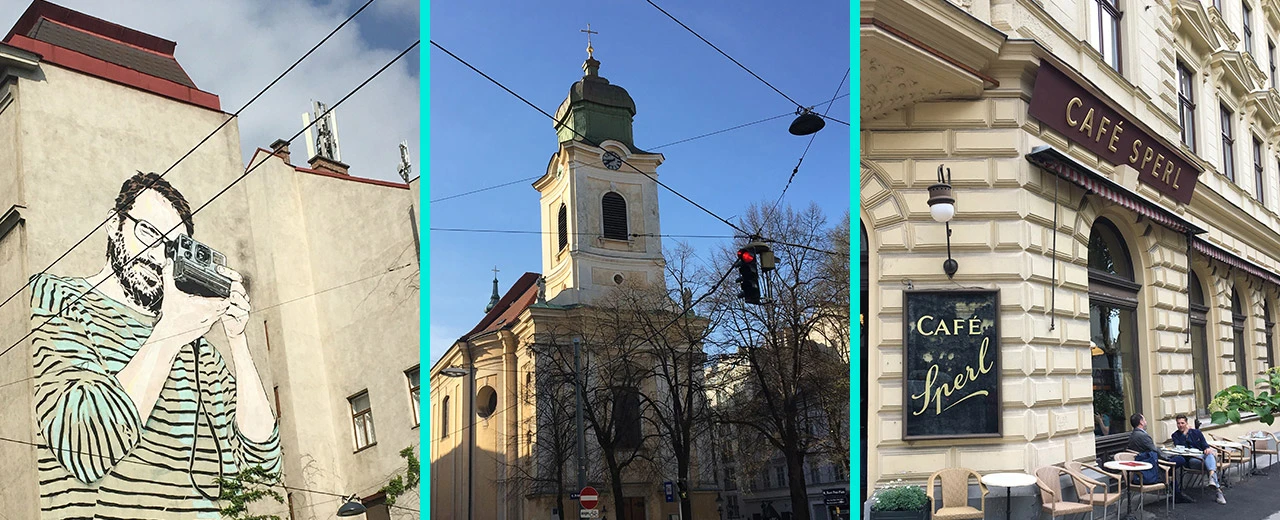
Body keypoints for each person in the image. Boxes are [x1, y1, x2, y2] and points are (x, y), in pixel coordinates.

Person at [29, 172, 280, 518]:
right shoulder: (53, 296)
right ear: (113, 224)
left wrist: (237, 340)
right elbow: (81, 446)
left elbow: (263, 465)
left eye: (172, 248)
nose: (156, 255)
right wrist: (169, 333)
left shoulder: (200, 351)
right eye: (147, 232)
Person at [1126, 413, 1198, 504]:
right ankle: (1177, 494)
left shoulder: (1133, 434)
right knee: (1180, 460)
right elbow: (1154, 450)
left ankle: (1177, 494)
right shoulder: (1142, 436)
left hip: (1147, 463)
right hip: (1151, 465)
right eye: (1144, 420)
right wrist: (1167, 457)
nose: (1146, 422)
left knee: (1171, 468)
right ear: (1141, 422)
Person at [1170, 414, 1227, 504]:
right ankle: (1218, 491)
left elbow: (1205, 445)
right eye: (1178, 423)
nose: (1180, 425)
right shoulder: (1175, 435)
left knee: (1210, 455)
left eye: (1182, 423)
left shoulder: (1196, 433)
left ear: (1186, 423)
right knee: (1210, 464)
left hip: (1203, 457)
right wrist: (1185, 433)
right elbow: (1179, 447)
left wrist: (1207, 449)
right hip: (1192, 460)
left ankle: (1212, 478)